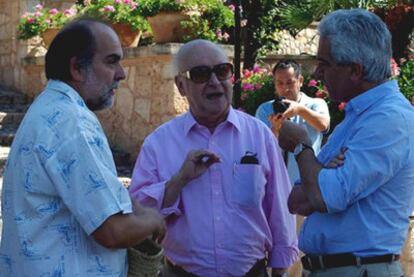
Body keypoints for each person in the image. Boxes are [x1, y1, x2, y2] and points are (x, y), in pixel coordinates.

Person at [0, 18, 165, 276]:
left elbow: (91, 192)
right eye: (111, 61)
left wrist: (134, 207)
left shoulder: (50, 109)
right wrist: (153, 221)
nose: (121, 73)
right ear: (77, 68)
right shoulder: (72, 122)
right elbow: (112, 231)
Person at [129, 39, 298, 277]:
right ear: (180, 85)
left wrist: (280, 270)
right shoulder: (158, 144)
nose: (214, 81)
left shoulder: (259, 136)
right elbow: (137, 217)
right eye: (200, 74)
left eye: (222, 71)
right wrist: (178, 181)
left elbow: (280, 208)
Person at [276, 9, 414, 277]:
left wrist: (303, 147)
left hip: (358, 270)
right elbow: (296, 200)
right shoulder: (359, 116)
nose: (318, 71)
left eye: (325, 63)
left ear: (355, 70)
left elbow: (325, 197)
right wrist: (324, 175)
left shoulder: (389, 119)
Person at [256, 59, 330, 185]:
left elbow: (324, 125)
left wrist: (300, 110)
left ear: (300, 81)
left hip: (308, 182)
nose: (285, 88)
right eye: (280, 83)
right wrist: (275, 129)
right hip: (275, 184)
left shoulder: (315, 104)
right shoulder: (265, 110)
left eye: (290, 83)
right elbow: (260, 147)